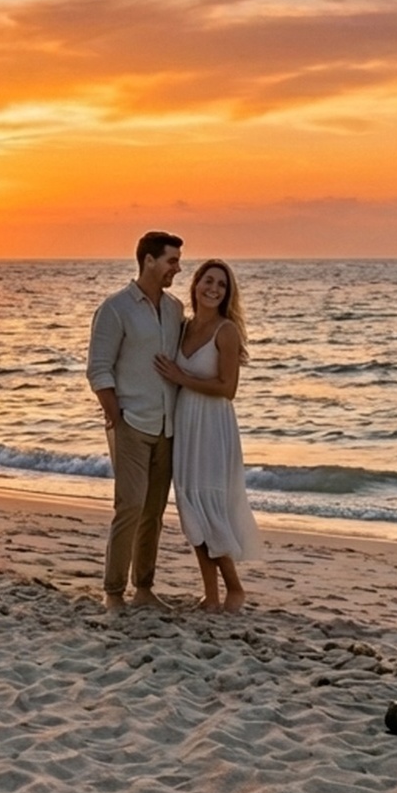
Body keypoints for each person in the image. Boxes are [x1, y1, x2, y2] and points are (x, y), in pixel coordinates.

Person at [154, 259, 262, 612]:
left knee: (209, 504)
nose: (214, 289)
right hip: (186, 423)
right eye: (208, 281)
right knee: (189, 505)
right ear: (196, 283)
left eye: (221, 285)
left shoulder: (225, 331)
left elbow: (227, 388)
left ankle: (235, 589)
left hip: (213, 426)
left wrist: (179, 377)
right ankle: (211, 595)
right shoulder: (182, 328)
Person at [87, 231, 184, 613]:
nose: (177, 268)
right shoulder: (116, 308)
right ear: (148, 261)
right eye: (171, 261)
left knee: (154, 512)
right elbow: (98, 369)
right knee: (130, 505)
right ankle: (113, 592)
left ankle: (144, 588)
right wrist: (116, 417)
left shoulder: (175, 309)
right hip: (131, 423)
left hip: (167, 425)